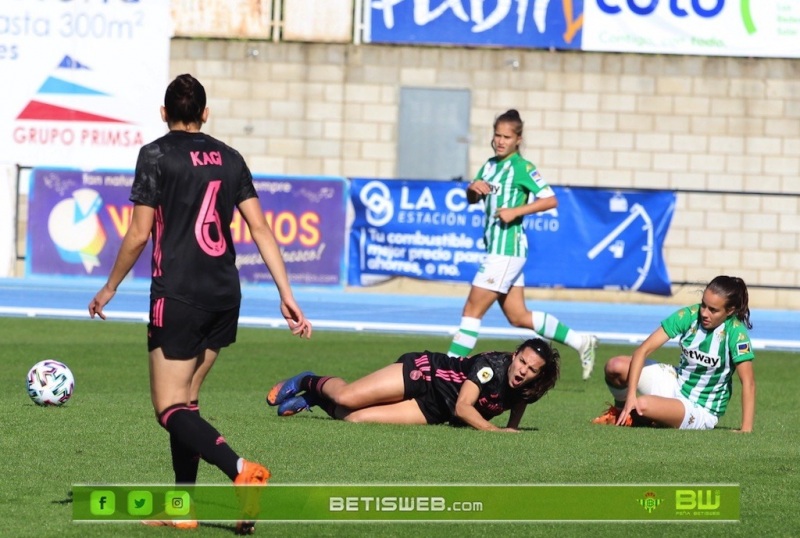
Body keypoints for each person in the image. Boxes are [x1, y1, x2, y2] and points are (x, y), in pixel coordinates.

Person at [88, 74, 312, 533]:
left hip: (179, 293)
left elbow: (138, 233)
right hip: (224, 296)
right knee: (187, 403)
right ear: (205, 114)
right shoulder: (231, 159)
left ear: (164, 113)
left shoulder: (155, 155)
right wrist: (286, 294)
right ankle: (182, 507)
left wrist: (109, 287)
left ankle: (241, 470)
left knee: (167, 408)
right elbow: (261, 230)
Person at [446, 109, 597, 380]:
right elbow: (474, 199)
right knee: (518, 316)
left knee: (471, 310)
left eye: (507, 136)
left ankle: (446, 372)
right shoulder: (490, 165)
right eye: (497, 135)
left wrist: (516, 211)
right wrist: (472, 189)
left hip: (507, 250)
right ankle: (580, 341)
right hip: (497, 249)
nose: (500, 141)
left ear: (518, 139)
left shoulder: (522, 168)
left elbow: (550, 199)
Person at [267, 338, 560, 432]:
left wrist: (514, 426)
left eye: (532, 369)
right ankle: (307, 380)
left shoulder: (529, 385)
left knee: (353, 417)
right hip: (425, 373)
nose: (523, 371)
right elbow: (463, 407)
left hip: (434, 408)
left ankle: (315, 399)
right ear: (514, 355)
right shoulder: (490, 368)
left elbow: (520, 399)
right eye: (521, 361)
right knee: (348, 397)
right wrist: (497, 432)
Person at [591, 275, 756, 432]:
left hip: (700, 408)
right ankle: (621, 414)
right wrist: (631, 395)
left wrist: (746, 428)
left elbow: (748, 382)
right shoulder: (689, 315)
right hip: (675, 382)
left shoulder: (736, 334)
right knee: (615, 366)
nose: (705, 313)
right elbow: (642, 351)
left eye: (713, 310)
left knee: (642, 405)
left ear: (730, 310)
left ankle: (646, 415)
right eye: (703, 305)